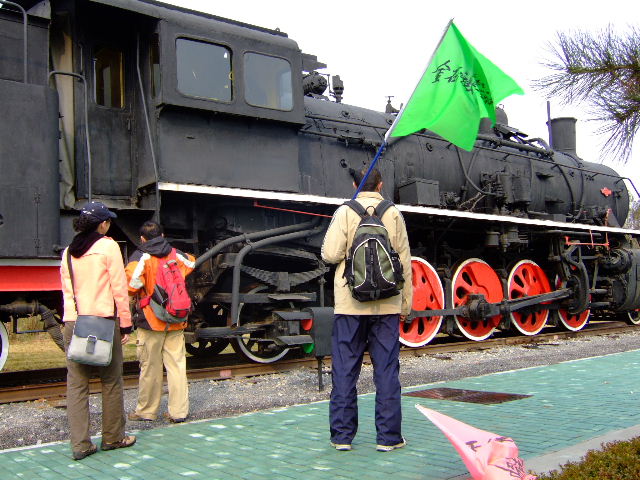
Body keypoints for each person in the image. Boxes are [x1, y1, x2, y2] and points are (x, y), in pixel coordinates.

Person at [321, 168, 413, 452]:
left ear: (355, 185)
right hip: (387, 305)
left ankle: (342, 437)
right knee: (386, 371)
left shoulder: (345, 212)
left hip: (350, 305)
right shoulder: (393, 213)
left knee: (344, 370)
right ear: (381, 185)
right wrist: (405, 305)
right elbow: (405, 262)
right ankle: (388, 438)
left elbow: (330, 255)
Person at [60, 201, 136, 460]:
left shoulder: (68, 252)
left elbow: (67, 291)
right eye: (108, 221)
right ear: (102, 224)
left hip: (74, 322)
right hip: (103, 322)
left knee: (77, 384)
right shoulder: (108, 246)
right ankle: (113, 437)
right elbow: (119, 288)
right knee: (111, 380)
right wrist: (125, 323)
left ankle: (80, 445)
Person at [125, 221, 195, 423]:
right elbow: (191, 262)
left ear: (142, 239)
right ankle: (178, 412)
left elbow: (131, 285)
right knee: (177, 366)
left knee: (150, 367)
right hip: (176, 319)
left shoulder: (141, 256)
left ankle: (146, 411)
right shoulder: (176, 254)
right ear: (162, 235)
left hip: (151, 320)